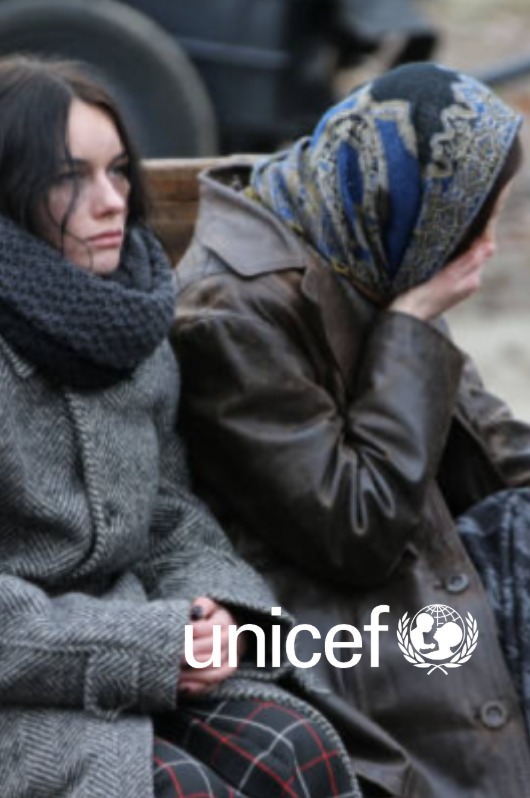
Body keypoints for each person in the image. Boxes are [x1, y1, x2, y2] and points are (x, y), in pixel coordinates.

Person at [0, 55, 362, 798]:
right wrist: (149, 646)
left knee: (295, 752)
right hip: (23, 688)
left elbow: (167, 513)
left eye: (119, 170)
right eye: (69, 177)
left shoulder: (130, 324)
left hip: (134, 642)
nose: (110, 202)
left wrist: (216, 612)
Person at [172, 62, 530, 798]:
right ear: (421, 213)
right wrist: (409, 325)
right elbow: (353, 528)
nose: (487, 245)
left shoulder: (355, 229)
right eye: (476, 221)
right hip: (336, 627)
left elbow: (485, 435)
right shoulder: (226, 314)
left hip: (420, 560)